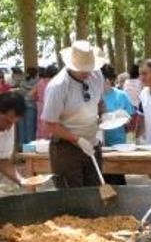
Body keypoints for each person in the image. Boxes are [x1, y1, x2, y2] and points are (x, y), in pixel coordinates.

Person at [42, 40, 106, 189]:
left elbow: (100, 102)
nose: (87, 72)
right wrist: (77, 140)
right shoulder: (58, 86)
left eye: (89, 68)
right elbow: (50, 123)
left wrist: (105, 115)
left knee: (95, 194)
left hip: (92, 145)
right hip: (66, 149)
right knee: (72, 198)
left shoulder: (97, 75)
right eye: (82, 69)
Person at [100, 64, 135, 185]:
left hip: (118, 145)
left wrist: (124, 118)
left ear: (109, 80)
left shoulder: (121, 95)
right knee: (102, 180)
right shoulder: (94, 97)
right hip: (100, 145)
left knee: (118, 179)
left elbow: (131, 118)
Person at [34, 65, 57, 140]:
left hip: (40, 106)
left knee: (40, 126)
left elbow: (33, 94)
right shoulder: (55, 83)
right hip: (51, 106)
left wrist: (38, 99)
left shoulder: (40, 82)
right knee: (50, 125)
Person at [16, 67, 39, 145]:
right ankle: (29, 147)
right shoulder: (37, 82)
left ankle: (21, 146)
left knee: (22, 127)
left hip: (21, 105)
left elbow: (20, 92)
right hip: (31, 106)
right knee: (30, 128)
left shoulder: (22, 82)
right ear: (36, 74)